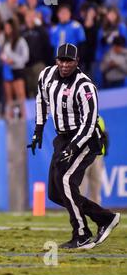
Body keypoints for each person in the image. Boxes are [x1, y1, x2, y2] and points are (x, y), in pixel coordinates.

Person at [28, 43, 120, 249]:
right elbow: (41, 100)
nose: (64, 64)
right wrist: (38, 129)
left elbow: (89, 123)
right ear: (56, 60)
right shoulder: (46, 75)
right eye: (61, 60)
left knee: (66, 180)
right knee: (55, 192)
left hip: (86, 138)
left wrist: (73, 147)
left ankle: (82, 233)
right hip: (62, 138)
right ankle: (105, 218)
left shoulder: (85, 86)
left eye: (69, 60)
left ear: (77, 62)